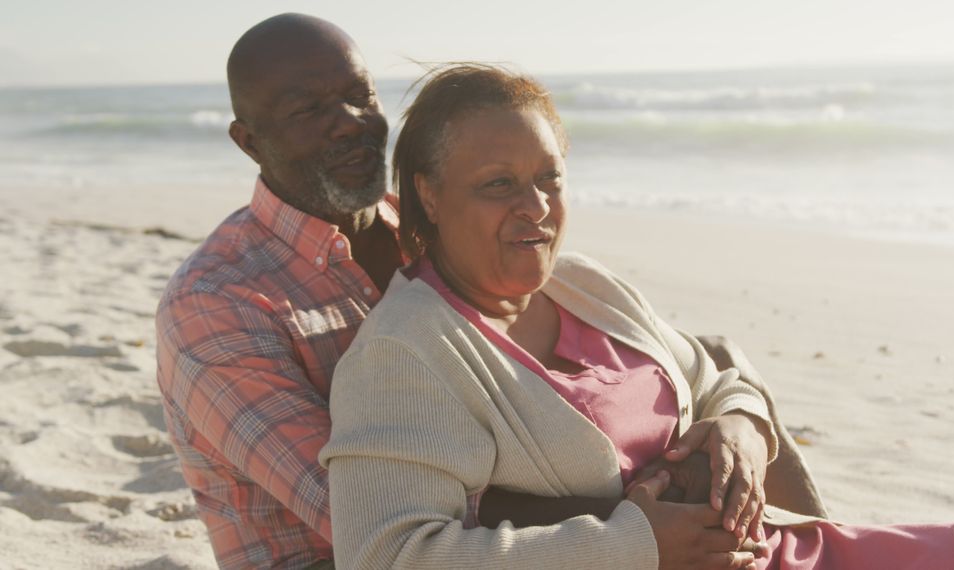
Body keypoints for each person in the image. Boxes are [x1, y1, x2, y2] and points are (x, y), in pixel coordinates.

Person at [319, 64, 954, 569]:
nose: (536, 207)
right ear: (428, 193)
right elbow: (388, 555)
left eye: (549, 177)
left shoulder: (583, 286)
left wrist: (744, 427)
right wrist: (637, 542)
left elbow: (716, 378)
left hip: (774, 550)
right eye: (499, 184)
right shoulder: (407, 351)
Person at [155, 13, 824, 569]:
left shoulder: (429, 223)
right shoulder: (217, 305)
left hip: (548, 519)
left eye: (361, 95)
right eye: (309, 109)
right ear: (248, 141)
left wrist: (725, 438)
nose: (350, 121)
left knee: (712, 374)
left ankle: (818, 533)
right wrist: (646, 515)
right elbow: (360, 509)